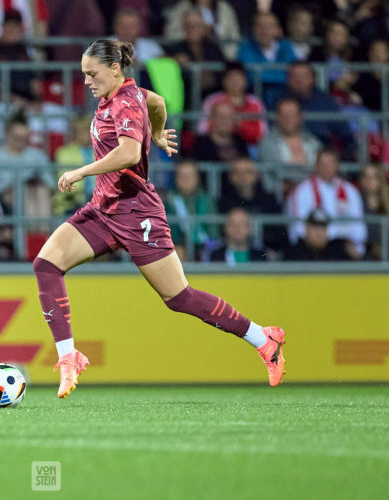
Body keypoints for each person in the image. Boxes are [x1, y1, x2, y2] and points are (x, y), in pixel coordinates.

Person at [36, 39, 286, 399]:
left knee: (179, 297)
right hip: (105, 208)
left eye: (92, 74)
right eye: (84, 75)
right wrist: (155, 129)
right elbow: (157, 103)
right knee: (46, 264)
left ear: (115, 69)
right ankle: (68, 357)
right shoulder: (127, 96)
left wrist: (81, 171)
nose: (87, 81)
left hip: (137, 212)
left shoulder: (122, 102)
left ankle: (265, 338)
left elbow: (129, 152)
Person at [286, 148, 366, 258]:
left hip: (342, 245)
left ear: (337, 165)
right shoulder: (302, 190)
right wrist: (321, 238)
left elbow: (358, 224)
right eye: (322, 163)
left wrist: (357, 247)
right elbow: (297, 226)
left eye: (331, 163)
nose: (327, 167)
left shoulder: (351, 191)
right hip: (310, 247)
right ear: (316, 165)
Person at [236, 12, 297, 106]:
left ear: (277, 29)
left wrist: (264, 71)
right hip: (254, 91)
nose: (264, 30)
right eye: (260, 26)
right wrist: (278, 73)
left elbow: (293, 72)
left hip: (284, 91)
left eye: (269, 26)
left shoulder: (286, 46)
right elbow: (251, 75)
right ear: (253, 29)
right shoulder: (245, 46)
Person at [197, 62, 267, 145]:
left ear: (245, 81)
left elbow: (263, 133)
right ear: (224, 80)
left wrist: (241, 127)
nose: (235, 82)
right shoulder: (212, 100)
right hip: (217, 145)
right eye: (231, 78)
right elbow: (202, 129)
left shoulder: (255, 103)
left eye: (238, 78)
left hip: (250, 147)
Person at [164, 160, 218, 252]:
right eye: (182, 176)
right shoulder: (168, 201)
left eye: (189, 176)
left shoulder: (207, 201)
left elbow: (213, 231)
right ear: (176, 179)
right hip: (178, 248)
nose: (186, 179)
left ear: (197, 178)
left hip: (205, 248)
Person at [259, 98, 322, 166]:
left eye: (292, 115)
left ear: (300, 117)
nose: (288, 119)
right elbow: (276, 171)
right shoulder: (267, 143)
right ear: (277, 117)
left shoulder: (313, 142)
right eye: (285, 115)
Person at [283, 208, 352, 261]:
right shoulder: (294, 253)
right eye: (315, 226)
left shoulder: (337, 252)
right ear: (306, 229)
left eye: (322, 227)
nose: (319, 232)